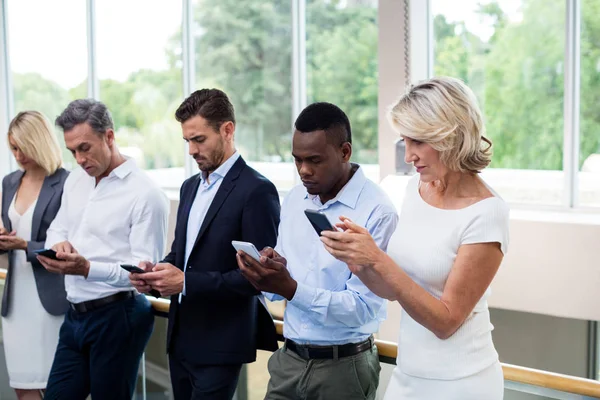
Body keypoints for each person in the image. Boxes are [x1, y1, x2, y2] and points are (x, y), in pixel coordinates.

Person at [320, 77, 510, 400]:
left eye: (418, 142)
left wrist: (378, 258)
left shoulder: (488, 213)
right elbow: (392, 289)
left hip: (463, 382)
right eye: (404, 142)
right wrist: (359, 260)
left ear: (450, 136)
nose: (408, 156)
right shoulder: (414, 190)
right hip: (409, 374)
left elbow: (446, 322)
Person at [237, 102, 398, 400]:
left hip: (344, 370)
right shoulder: (296, 197)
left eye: (314, 160)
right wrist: (270, 273)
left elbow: (364, 308)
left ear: (345, 152)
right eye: (297, 160)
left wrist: (292, 288)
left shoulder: (378, 211)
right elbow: (282, 287)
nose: (304, 170)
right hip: (289, 361)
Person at [130, 88, 280, 400]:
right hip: (180, 339)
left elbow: (256, 279)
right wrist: (155, 274)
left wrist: (184, 282)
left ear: (227, 130)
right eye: (187, 141)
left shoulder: (257, 191)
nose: (191, 150)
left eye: (199, 140)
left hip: (221, 344)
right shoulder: (189, 188)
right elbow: (181, 257)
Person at [36, 99, 170, 400]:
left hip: (118, 316)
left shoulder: (146, 194)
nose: (80, 159)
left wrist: (86, 268)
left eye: (85, 147)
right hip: (75, 316)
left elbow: (144, 274)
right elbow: (57, 228)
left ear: (109, 137)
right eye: (72, 151)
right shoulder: (75, 181)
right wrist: (58, 244)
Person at [0, 111, 69, 400]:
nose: (18, 155)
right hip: (16, 299)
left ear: (39, 142)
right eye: (13, 147)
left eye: (23, 147)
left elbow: (69, 245)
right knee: (22, 384)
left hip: (51, 297)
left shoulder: (67, 182)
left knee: (59, 385)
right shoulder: (10, 182)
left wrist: (24, 246)